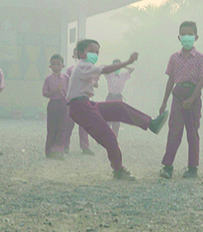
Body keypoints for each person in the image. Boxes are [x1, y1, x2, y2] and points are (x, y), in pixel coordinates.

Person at [65, 39, 168, 179]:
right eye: (91, 51)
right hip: (80, 106)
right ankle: (118, 169)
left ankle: (151, 123)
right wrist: (127, 62)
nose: (95, 54)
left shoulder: (85, 67)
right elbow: (105, 69)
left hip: (85, 104)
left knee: (119, 107)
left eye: (97, 52)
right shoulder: (82, 66)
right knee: (108, 135)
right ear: (81, 54)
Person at [158, 21, 203, 178]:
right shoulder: (174, 58)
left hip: (193, 95)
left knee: (192, 132)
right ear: (179, 37)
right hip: (178, 95)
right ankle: (167, 166)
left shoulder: (200, 58)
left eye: (190, 34)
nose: (187, 37)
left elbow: (202, 80)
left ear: (196, 37)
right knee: (174, 130)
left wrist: (192, 99)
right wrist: (164, 101)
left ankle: (193, 167)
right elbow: (171, 80)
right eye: (184, 34)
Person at [42, 54, 71, 159]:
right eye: (53, 64)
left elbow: (69, 92)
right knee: (51, 127)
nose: (56, 67)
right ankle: (49, 150)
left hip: (63, 103)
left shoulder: (66, 78)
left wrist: (69, 104)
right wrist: (54, 91)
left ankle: (58, 150)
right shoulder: (48, 79)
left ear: (63, 66)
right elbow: (44, 93)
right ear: (50, 66)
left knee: (62, 127)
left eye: (58, 64)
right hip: (53, 103)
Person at [104, 59, 134, 134]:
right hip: (110, 96)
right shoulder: (109, 74)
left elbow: (132, 69)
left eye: (119, 66)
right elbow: (102, 67)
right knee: (107, 117)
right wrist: (111, 67)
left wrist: (124, 65)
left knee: (117, 119)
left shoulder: (123, 75)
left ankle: (115, 137)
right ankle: (105, 136)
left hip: (118, 97)